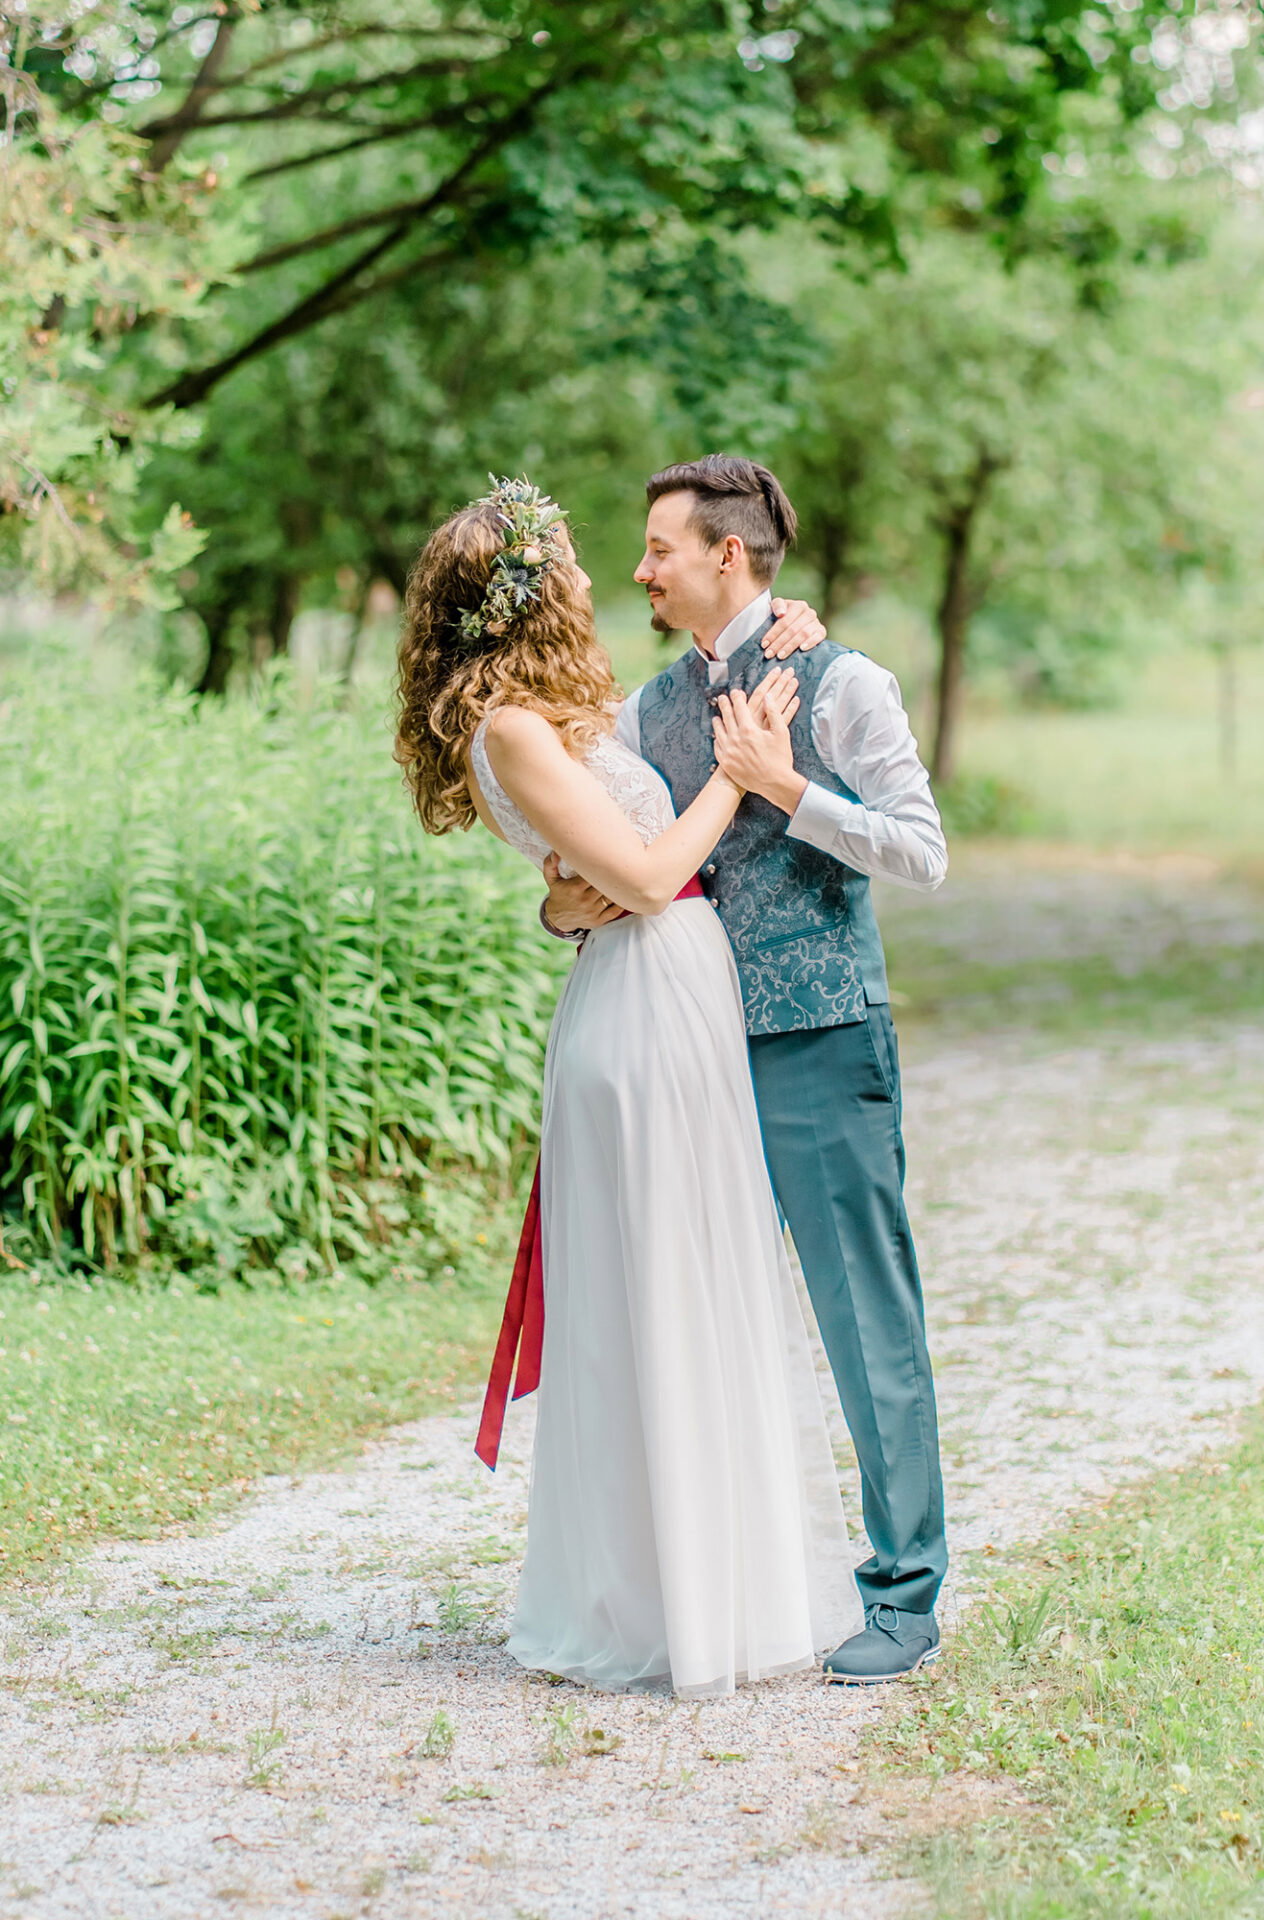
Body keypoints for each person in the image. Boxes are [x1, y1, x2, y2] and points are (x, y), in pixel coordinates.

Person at [394, 476, 862, 1698]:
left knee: (703, 1280)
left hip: (677, 990)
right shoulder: (506, 730)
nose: (600, 575)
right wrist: (745, 767)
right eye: (570, 561)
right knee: (655, 1293)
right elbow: (650, 877)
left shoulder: (557, 711)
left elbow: (616, 858)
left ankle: (723, 1583)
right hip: (642, 1008)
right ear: (526, 590)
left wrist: (784, 627)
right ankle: (655, 1607)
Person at [542, 454, 948, 1684]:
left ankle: (904, 1595)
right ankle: (726, 1589)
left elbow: (922, 850)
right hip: (688, 1049)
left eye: (659, 547)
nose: (640, 568)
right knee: (697, 1317)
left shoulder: (847, 682)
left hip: (822, 1035)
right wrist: (569, 911)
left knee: (862, 1313)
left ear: (728, 553)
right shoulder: (646, 709)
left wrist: (789, 789)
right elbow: (617, 862)